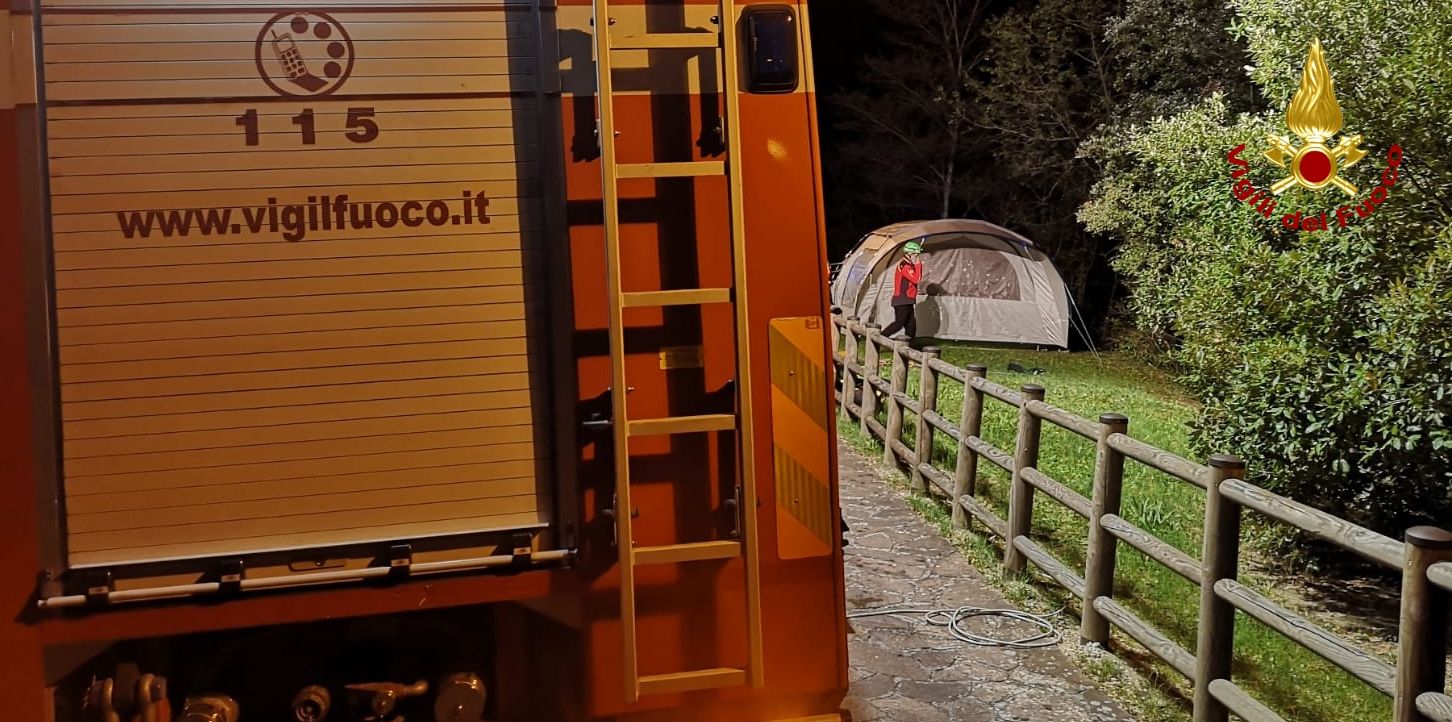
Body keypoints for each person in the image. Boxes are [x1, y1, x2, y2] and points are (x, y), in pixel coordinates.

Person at [881, 241, 923, 339]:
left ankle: (908, 346)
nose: (917, 257)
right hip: (902, 300)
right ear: (909, 254)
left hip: (908, 300)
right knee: (899, 324)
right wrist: (918, 265)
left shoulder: (909, 265)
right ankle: (879, 339)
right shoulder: (905, 266)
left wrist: (917, 265)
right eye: (916, 255)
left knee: (911, 326)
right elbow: (916, 279)